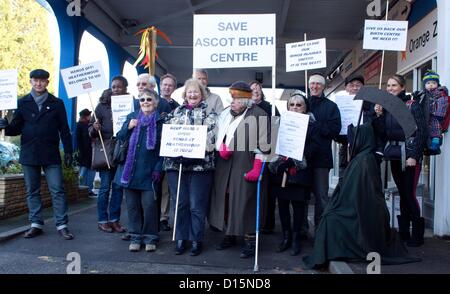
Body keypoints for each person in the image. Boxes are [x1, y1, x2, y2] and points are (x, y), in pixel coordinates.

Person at [303, 123, 421, 269]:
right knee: (329, 217)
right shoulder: (361, 158)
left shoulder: (364, 161)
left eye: (354, 140)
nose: (351, 144)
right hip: (355, 208)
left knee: (330, 220)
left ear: (363, 139)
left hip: (361, 213)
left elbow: (361, 197)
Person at [0, 69, 74, 240]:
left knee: (57, 190)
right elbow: (16, 128)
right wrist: (5, 125)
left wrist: (69, 151)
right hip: (29, 152)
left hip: (50, 153)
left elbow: (64, 129)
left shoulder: (57, 103)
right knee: (32, 190)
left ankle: (62, 225)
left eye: (42, 80)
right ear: (31, 81)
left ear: (47, 82)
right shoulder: (22, 102)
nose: (38, 83)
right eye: (35, 80)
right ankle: (36, 224)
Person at [209, 81, 269, 259]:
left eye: (236, 98)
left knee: (246, 202)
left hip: (246, 164)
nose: (232, 101)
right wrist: (220, 147)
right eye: (232, 97)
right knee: (226, 199)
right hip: (224, 165)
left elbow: (265, 144)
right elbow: (217, 135)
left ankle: (250, 240)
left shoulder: (259, 114)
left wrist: (257, 167)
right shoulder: (225, 114)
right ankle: (230, 234)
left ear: (246, 100)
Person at [163, 79, 217, 256]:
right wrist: (174, 153)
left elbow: (212, 139)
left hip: (200, 168)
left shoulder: (210, 113)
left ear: (202, 94)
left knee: (196, 205)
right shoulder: (175, 113)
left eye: (196, 92)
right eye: (189, 92)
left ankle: (196, 239)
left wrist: (193, 154)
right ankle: (180, 237)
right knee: (180, 204)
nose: (192, 95)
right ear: (185, 94)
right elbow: (167, 136)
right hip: (176, 166)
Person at [375, 74, 427, 247]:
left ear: (403, 87)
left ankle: (417, 235)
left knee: (409, 194)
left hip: (408, 156)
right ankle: (404, 232)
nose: (390, 88)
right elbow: (384, 132)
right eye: (388, 86)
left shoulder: (411, 106)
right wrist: (379, 115)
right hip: (396, 155)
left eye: (394, 85)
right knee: (403, 193)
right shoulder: (388, 106)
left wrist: (413, 156)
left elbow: (419, 133)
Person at [269, 93, 318, 255]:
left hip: (299, 172)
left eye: (299, 105)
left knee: (298, 207)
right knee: (282, 205)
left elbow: (313, 148)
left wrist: (295, 160)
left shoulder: (312, 126)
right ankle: (286, 236)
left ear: (305, 108)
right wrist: (280, 162)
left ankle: (296, 237)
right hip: (281, 170)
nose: (295, 107)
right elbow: (274, 144)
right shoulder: (280, 124)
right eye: (292, 105)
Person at [114, 89, 163, 252]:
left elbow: (164, 149)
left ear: (155, 102)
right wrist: (128, 127)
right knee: (132, 207)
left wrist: (158, 169)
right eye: (142, 100)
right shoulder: (131, 117)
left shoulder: (160, 121)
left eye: (149, 99)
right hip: (130, 172)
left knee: (149, 207)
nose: (145, 102)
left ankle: (150, 237)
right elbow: (120, 137)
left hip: (149, 173)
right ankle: (135, 236)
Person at [89, 83, 126, 234]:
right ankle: (103, 220)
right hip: (106, 151)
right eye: (114, 86)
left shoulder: (129, 103)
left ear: (125, 88)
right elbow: (90, 130)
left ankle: (114, 220)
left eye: (120, 87)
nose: (117, 89)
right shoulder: (100, 107)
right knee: (104, 188)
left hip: (122, 151)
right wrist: (94, 128)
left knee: (118, 188)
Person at [307, 73, 341, 226]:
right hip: (302, 158)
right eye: (312, 83)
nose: (314, 86)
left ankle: (320, 232)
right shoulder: (302, 103)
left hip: (321, 159)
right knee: (302, 196)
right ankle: (300, 231)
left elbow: (335, 130)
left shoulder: (331, 107)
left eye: (318, 84)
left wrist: (315, 124)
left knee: (321, 197)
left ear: (323, 86)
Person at [249, 80, 280, 235]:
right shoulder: (246, 108)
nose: (255, 90)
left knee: (266, 190)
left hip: (267, 153)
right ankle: (251, 221)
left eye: (258, 88)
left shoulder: (271, 107)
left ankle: (267, 223)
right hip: (249, 154)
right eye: (252, 88)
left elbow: (277, 128)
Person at [158, 73, 179, 231]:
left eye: (170, 85)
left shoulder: (177, 107)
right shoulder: (150, 101)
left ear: (174, 88)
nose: (167, 87)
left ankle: (163, 217)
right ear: (160, 85)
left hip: (169, 150)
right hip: (153, 150)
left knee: (166, 187)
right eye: (165, 84)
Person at [336, 75, 364, 176]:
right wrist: (342, 138)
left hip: (363, 149)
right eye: (351, 85)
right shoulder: (339, 105)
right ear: (346, 88)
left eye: (358, 85)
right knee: (344, 178)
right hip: (345, 147)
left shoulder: (369, 105)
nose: (355, 88)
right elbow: (336, 128)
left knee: (360, 179)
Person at [420, 70, 448, 154]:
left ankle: (436, 143)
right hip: (426, 116)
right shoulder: (423, 94)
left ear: (437, 84)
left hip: (435, 116)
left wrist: (439, 115)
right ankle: (428, 145)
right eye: (428, 83)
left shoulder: (439, 93)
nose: (431, 85)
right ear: (424, 85)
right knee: (427, 131)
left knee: (436, 130)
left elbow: (443, 104)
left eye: (433, 83)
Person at [76, 108, 96, 196]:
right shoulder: (79, 125)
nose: (90, 116)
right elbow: (78, 140)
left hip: (91, 152)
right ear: (85, 116)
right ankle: (81, 189)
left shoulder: (90, 125)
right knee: (83, 172)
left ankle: (89, 189)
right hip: (84, 153)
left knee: (91, 171)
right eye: (89, 115)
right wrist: (80, 151)